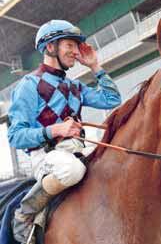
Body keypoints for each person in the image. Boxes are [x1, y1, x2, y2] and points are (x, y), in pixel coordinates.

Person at [8, 19, 121, 243]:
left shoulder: (75, 86)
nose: (75, 51)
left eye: (75, 46)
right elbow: (15, 136)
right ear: (50, 47)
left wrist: (95, 66)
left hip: (79, 150)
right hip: (48, 157)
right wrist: (55, 129)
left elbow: (112, 99)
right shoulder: (29, 85)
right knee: (72, 170)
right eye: (69, 45)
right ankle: (25, 213)